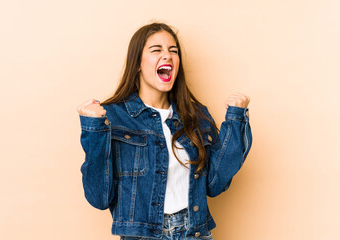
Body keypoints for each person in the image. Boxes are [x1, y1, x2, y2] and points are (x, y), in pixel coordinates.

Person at [77, 22, 252, 240]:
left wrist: (236, 121)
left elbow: (215, 184)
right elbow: (99, 198)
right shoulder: (112, 117)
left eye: (173, 51)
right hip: (143, 236)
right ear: (138, 63)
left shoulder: (196, 116)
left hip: (194, 233)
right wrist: (93, 129)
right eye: (156, 50)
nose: (167, 56)